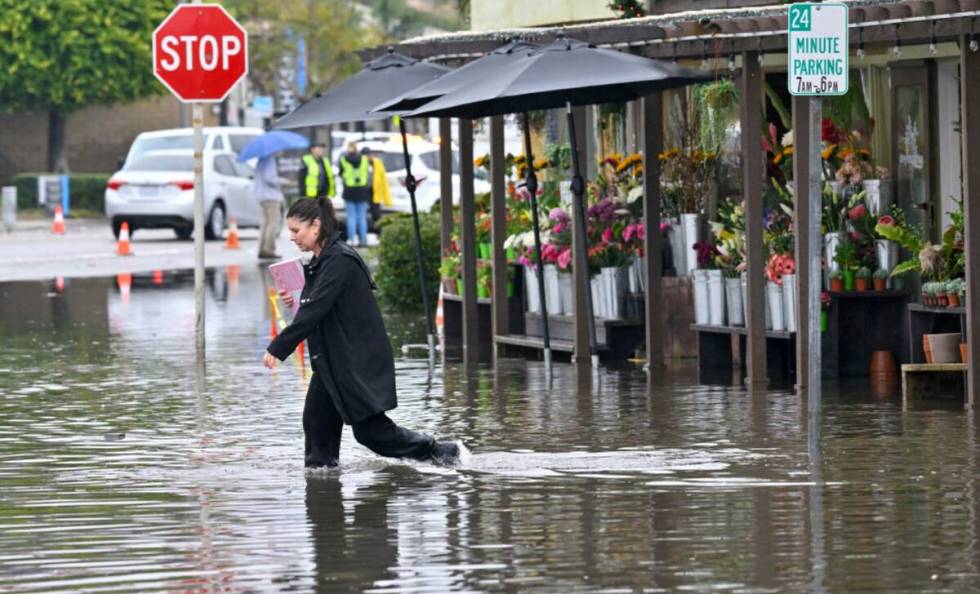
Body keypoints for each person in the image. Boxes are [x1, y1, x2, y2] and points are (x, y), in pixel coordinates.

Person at [263, 197, 461, 468]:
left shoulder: (340, 260)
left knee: (371, 433)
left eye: (296, 230)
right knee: (316, 425)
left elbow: (316, 309)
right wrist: (297, 299)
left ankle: (442, 452)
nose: (292, 237)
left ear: (316, 226)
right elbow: (316, 306)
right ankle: (323, 487)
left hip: (353, 363)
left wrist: (278, 347)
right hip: (332, 362)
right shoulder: (323, 260)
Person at [338, 141, 371, 247]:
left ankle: (351, 240)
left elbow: (341, 174)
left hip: (349, 191)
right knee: (362, 216)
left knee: (351, 217)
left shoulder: (343, 160)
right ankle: (363, 240)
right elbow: (367, 173)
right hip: (361, 191)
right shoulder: (365, 159)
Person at [253, 155, 284, 260]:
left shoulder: (260, 159)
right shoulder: (270, 160)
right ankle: (269, 250)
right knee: (272, 223)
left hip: (262, 196)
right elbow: (269, 178)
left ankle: (262, 249)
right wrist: (282, 181)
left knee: (265, 223)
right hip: (271, 196)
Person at [362, 146, 391, 227]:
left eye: (368, 155)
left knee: (376, 214)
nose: (368, 157)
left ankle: (379, 231)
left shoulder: (377, 163)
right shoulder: (361, 164)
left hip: (375, 193)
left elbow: (383, 181)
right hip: (364, 192)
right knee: (362, 214)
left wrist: (387, 199)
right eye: (365, 155)